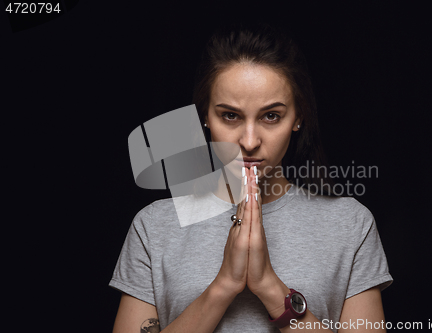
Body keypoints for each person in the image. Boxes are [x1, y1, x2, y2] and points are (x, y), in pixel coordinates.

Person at [109, 22, 393, 333]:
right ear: (204, 115)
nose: (249, 141)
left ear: (298, 117)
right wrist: (224, 286)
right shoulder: (154, 227)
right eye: (230, 115)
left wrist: (269, 287)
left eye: (271, 116)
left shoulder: (350, 224)